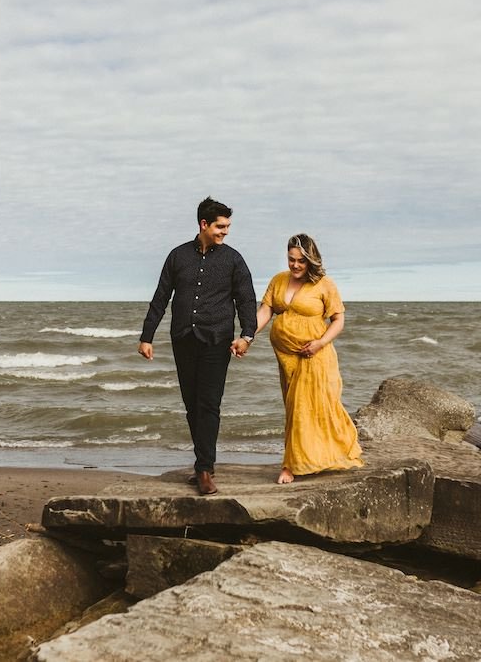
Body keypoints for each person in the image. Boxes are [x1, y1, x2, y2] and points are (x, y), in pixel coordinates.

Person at [138, 197, 258, 495]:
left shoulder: (233, 259)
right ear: (204, 224)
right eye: (220, 226)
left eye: (227, 226)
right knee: (192, 406)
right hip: (183, 339)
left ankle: (205, 469)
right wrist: (146, 336)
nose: (225, 232)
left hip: (217, 341)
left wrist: (247, 335)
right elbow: (161, 297)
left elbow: (246, 299)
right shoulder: (178, 256)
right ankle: (202, 462)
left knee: (209, 404)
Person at [255, 233, 364, 484]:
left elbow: (338, 320)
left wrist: (319, 343)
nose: (295, 265)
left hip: (315, 354)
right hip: (287, 357)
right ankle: (309, 458)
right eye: (291, 259)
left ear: (311, 260)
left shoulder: (324, 284)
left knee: (305, 408)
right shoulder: (279, 280)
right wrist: (248, 336)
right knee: (294, 408)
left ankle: (290, 466)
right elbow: (266, 310)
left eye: (301, 261)